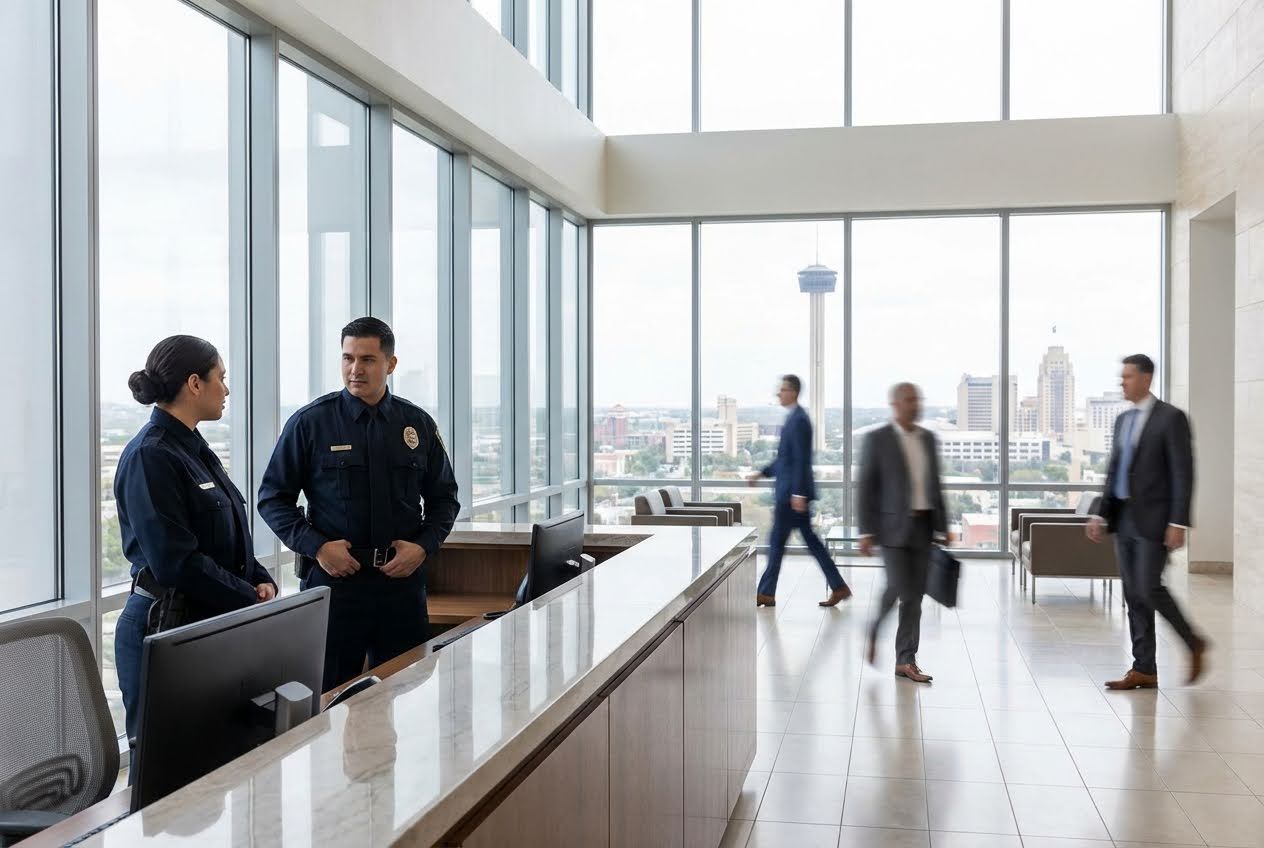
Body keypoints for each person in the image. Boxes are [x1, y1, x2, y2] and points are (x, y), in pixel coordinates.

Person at [259, 317, 460, 692]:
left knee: (407, 694)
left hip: (400, 587)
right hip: (335, 587)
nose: (355, 370)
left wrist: (423, 547)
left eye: (367, 359)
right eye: (348, 358)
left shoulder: (416, 424)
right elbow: (272, 499)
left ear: (391, 364)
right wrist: (316, 546)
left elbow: (444, 499)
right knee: (328, 702)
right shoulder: (310, 423)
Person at [114, 335, 277, 745]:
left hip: (206, 622)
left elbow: (229, 533)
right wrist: (248, 595)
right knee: (165, 776)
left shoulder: (194, 448)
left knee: (212, 771)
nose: (227, 388)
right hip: (163, 626)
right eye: (220, 378)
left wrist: (258, 576)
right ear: (194, 384)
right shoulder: (151, 456)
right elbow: (176, 561)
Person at [1088, 354, 1208, 690]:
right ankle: (1144, 668)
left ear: (1146, 379)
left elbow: (1184, 472)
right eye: (1122, 376)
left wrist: (1178, 521)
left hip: (1155, 520)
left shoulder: (1171, 419)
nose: (1122, 382)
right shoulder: (1123, 420)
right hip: (1123, 518)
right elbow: (1114, 471)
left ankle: (1193, 641)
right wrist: (1100, 512)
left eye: (1127, 376)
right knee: (1134, 593)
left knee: (1147, 586)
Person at [858, 382, 947, 684]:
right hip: (892, 530)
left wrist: (944, 526)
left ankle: (905, 660)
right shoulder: (877, 440)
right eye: (909, 400)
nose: (915, 404)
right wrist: (866, 531)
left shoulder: (929, 439)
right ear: (895, 404)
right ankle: (874, 629)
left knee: (914, 597)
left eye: (917, 399)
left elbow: (936, 486)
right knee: (898, 588)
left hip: (923, 528)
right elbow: (866, 487)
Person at [746, 375, 851, 608]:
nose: (778, 394)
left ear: (793, 392)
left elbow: (802, 460)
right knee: (806, 543)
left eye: (782, 390)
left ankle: (766, 592)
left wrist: (799, 494)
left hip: (791, 497)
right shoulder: (794, 418)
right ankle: (838, 586)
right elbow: (784, 460)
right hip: (790, 494)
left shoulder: (799, 420)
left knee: (777, 543)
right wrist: (761, 473)